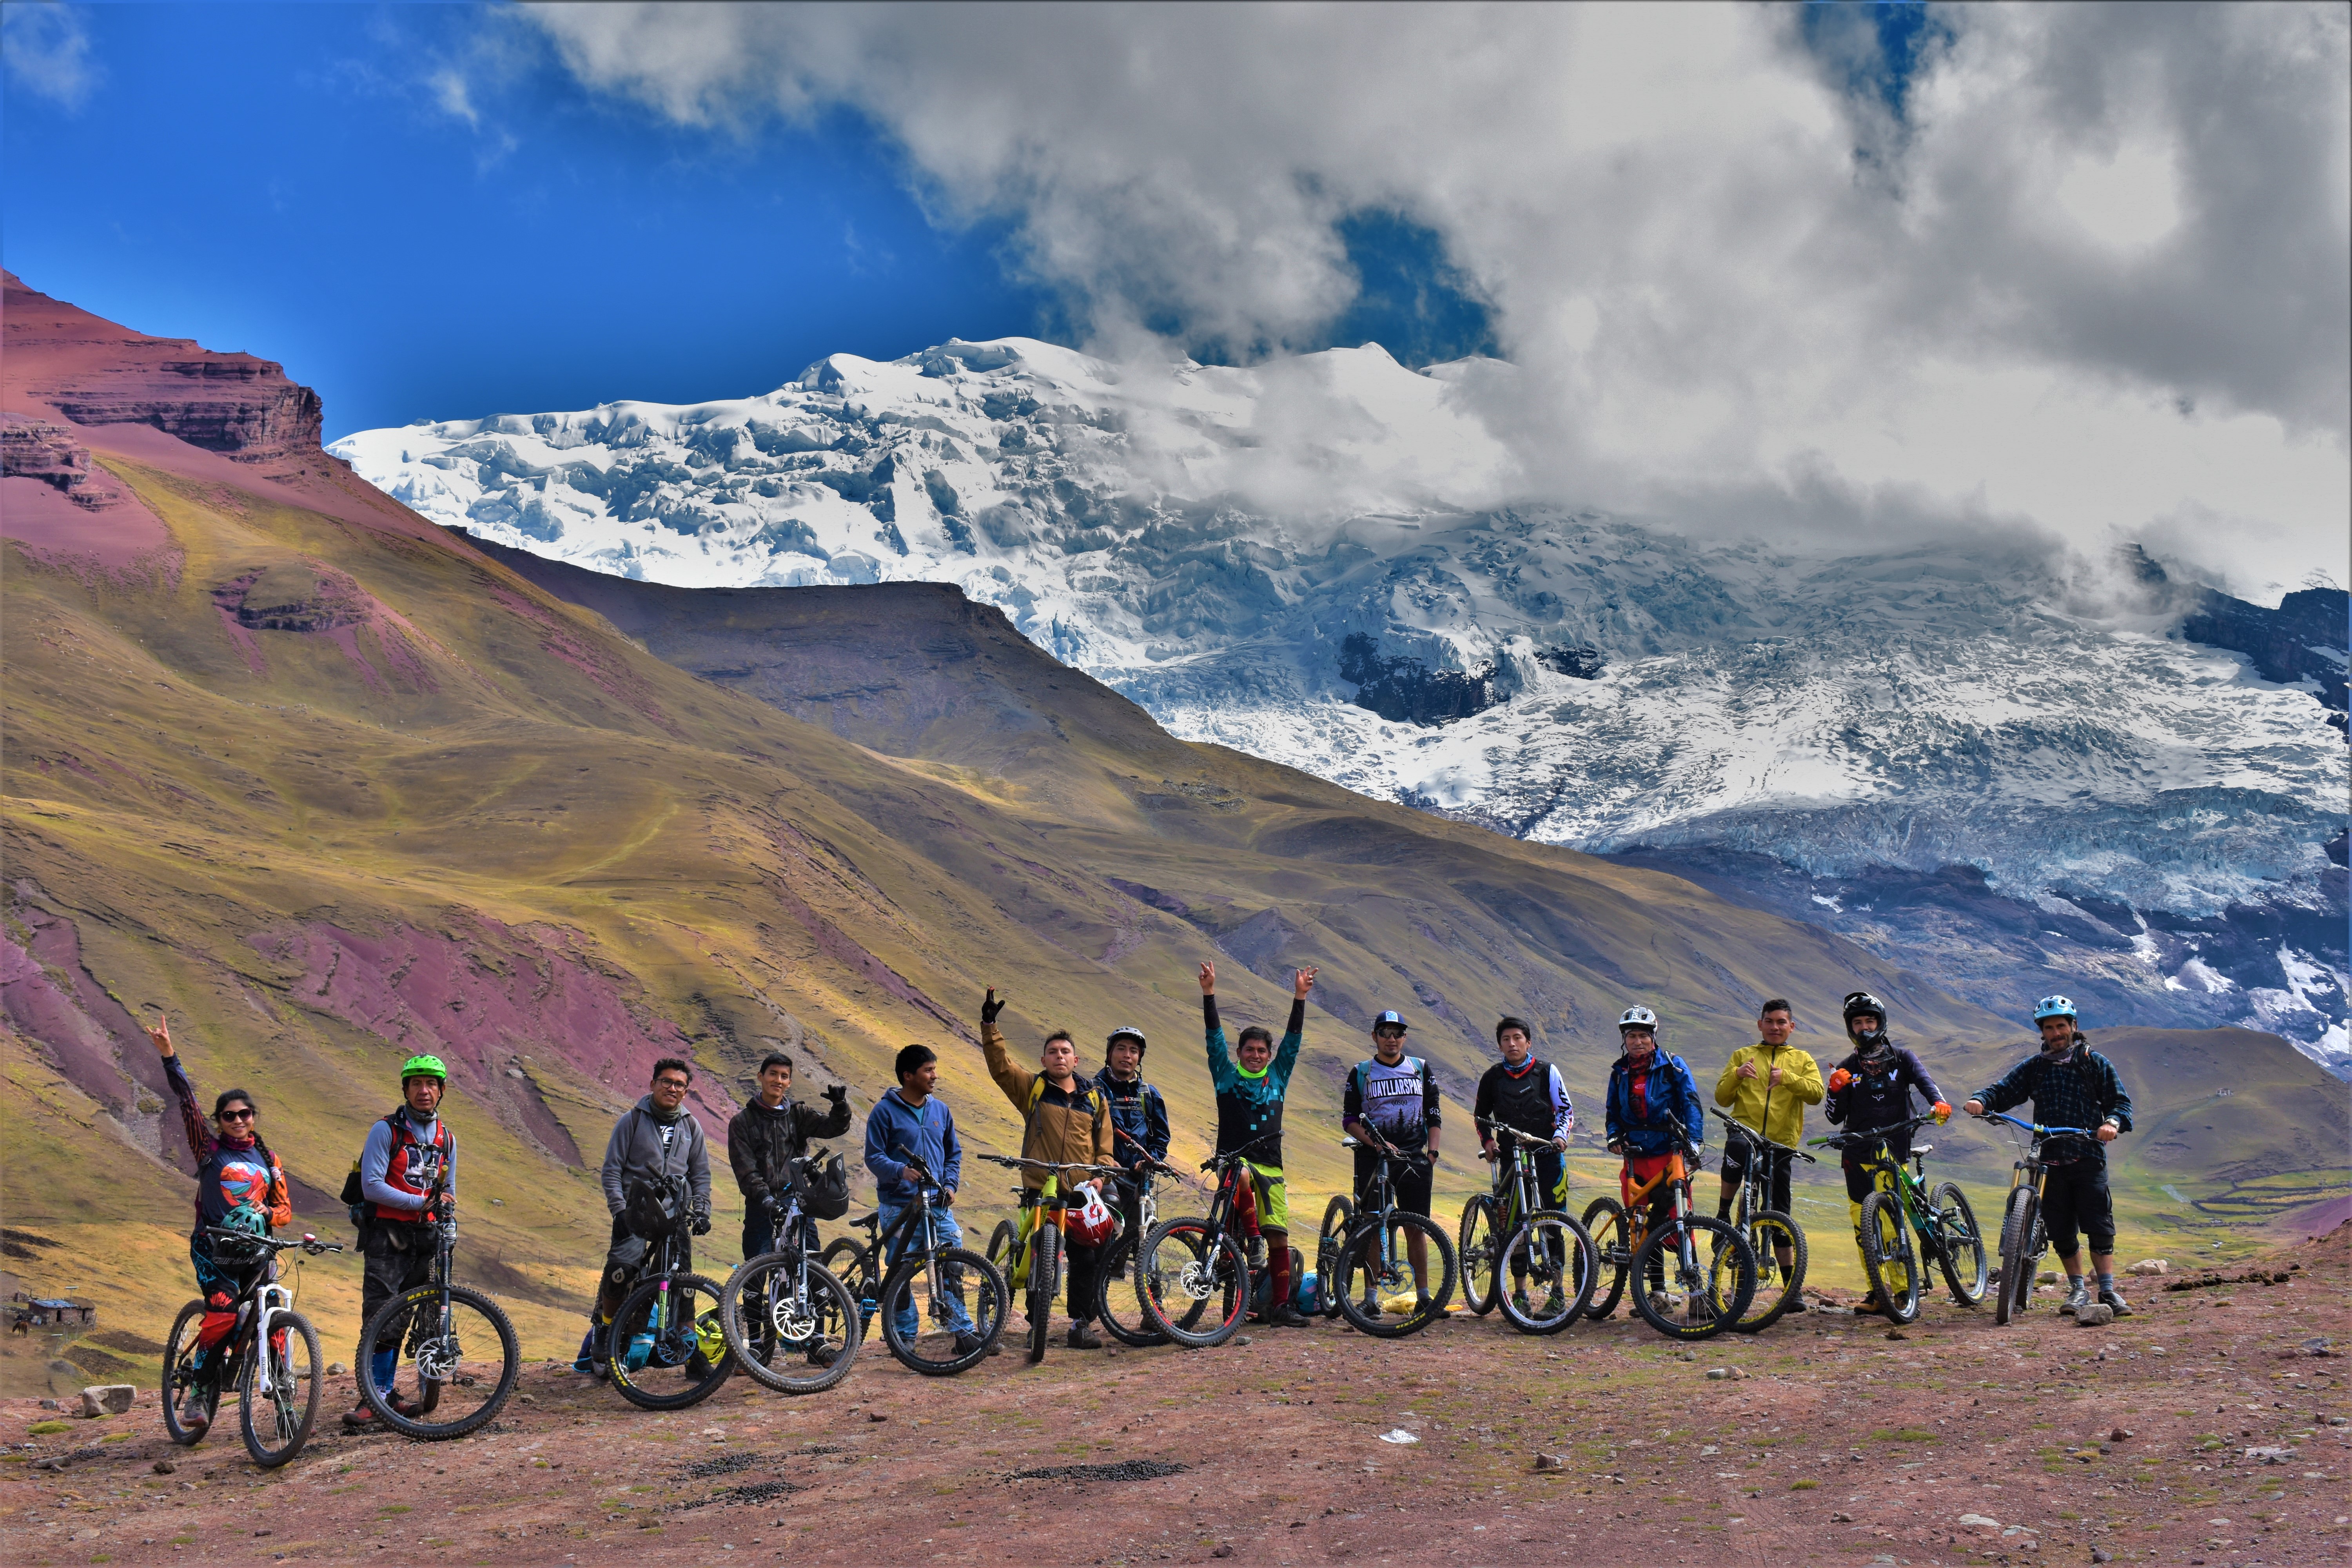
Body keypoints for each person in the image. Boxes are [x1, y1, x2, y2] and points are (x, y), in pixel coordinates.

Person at [146, 1016, 290, 1439]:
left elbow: (285, 1211)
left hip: (257, 1252)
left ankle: (285, 1397)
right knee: (224, 1311)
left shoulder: (270, 1160)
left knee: (273, 1317)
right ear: (220, 1120)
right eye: (229, 1116)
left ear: (254, 1117)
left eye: (245, 1114)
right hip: (214, 1250)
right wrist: (169, 1056)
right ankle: (200, 1388)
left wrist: (268, 1214)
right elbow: (187, 1103)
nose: (238, 1120)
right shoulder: (208, 1149)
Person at [1964, 996, 2136, 1317]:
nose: (2056, 1033)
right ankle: (2078, 1290)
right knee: (2060, 1230)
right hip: (2048, 1160)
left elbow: (2120, 1104)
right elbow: (2002, 1091)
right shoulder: (2036, 1068)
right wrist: (1979, 1100)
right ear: (2042, 1033)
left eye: (2061, 1026)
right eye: (2049, 1028)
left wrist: (2111, 1123)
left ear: (2074, 1027)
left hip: (2088, 1155)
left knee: (2099, 1226)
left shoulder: (2094, 1063)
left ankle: (2109, 1291)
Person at [978, 989, 1119, 1347]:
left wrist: (1101, 1175)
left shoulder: (1094, 1098)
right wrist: (990, 1026)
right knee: (1037, 1252)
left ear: (1076, 1060)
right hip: (1041, 1187)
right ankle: (1034, 1324)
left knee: (1085, 1258)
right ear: (1043, 1058)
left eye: (1065, 1052)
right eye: (1053, 1052)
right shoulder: (1033, 1088)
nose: (1059, 1056)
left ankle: (1080, 1325)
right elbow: (1000, 1067)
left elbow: (1105, 1145)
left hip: (1080, 1192)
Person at [1200, 962, 1317, 1328]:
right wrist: (1209, 994)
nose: (1256, 1055)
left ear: (1269, 1055)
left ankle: (1281, 1307)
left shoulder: (1278, 1077)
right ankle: (1252, 1242)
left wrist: (1300, 997)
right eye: (1249, 1049)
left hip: (1273, 1167)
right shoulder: (1226, 1076)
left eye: (1262, 1050)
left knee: (1280, 1241)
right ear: (1239, 1053)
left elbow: (1293, 1042)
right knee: (1242, 1173)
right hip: (1234, 1164)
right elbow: (1213, 1036)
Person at [344, 1053, 456, 1428]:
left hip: (425, 1238)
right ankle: (370, 1398)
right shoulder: (385, 1130)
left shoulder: (447, 1139)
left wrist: (445, 1207)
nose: (424, 1091)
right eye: (416, 1084)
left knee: (404, 1317)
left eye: (431, 1084)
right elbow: (371, 1186)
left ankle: (385, 1392)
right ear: (406, 1089)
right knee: (378, 1316)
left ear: (441, 1091)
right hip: (386, 1236)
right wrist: (420, 1203)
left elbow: (448, 1190)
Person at [1822, 991, 1950, 1316]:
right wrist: (1835, 1089)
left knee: (1890, 1222)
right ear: (1850, 1028)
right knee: (1862, 1224)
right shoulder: (1847, 1067)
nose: (1865, 1028)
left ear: (1880, 1023)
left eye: (1870, 1021)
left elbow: (1925, 1083)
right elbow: (1834, 1117)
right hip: (1856, 1151)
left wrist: (1938, 1103)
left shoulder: (1903, 1058)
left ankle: (1905, 1291)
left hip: (1893, 1147)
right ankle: (1877, 1290)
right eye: (1858, 1023)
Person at [585, 1059, 712, 1372]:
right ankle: (607, 1329)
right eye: (666, 1082)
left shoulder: (691, 1127)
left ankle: (690, 1353)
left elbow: (701, 1174)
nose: (672, 1088)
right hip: (636, 1210)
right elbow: (612, 1170)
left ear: (686, 1091)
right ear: (653, 1084)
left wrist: (702, 1210)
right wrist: (619, 1210)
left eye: (679, 1084)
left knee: (681, 1279)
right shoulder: (631, 1121)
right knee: (623, 1271)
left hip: (675, 1211)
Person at [865, 1043, 990, 1356]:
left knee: (953, 1265)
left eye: (935, 1069)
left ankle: (962, 1332)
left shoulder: (940, 1110)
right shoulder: (884, 1112)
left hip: (938, 1204)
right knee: (901, 1272)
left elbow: (953, 1153)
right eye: (928, 1070)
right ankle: (904, 1338)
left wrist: (951, 1185)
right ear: (908, 1076)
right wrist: (899, 1171)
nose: (935, 1076)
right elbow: (873, 1157)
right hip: (899, 1206)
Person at [1712, 998, 1824, 1310]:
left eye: (1781, 1022)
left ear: (1791, 1027)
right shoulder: (1744, 1055)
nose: (1775, 1027)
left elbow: (1816, 1094)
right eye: (1770, 1022)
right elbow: (1722, 1098)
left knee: (1780, 1214)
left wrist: (1786, 1078)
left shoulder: (1801, 1059)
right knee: (1736, 1149)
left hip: (1780, 1145)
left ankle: (1791, 1290)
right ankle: (1724, 1210)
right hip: (1745, 1133)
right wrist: (1737, 1075)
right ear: (1760, 1025)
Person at [1343, 1006, 1444, 1317]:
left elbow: (1434, 1113)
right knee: (1375, 1226)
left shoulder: (1420, 1068)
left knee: (1417, 1227)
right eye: (1385, 1033)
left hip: (1414, 1158)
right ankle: (1371, 1299)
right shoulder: (1362, 1072)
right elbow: (1348, 1119)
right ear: (1374, 1037)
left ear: (1405, 1037)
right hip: (1373, 1159)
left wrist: (1433, 1153)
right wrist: (1376, 1144)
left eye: (1398, 1033)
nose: (1392, 1039)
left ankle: (1425, 1297)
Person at [1472, 1016, 1575, 1316]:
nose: (1512, 1044)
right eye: (1506, 1039)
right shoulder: (1492, 1077)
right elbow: (1480, 1117)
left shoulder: (1547, 1072)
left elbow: (1565, 1110)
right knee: (1514, 1226)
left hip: (1548, 1157)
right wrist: (1488, 1143)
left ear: (1528, 1042)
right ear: (1500, 1044)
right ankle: (1519, 1295)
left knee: (1554, 1223)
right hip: (1510, 1159)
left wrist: (1559, 1137)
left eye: (1518, 1038)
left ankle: (1557, 1294)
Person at [1601, 1006, 1705, 1297]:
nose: (1638, 1042)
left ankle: (1697, 1293)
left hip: (1668, 1151)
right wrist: (1613, 1136)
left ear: (1654, 1037)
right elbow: (1612, 1112)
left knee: (1678, 1216)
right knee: (1642, 1222)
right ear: (1625, 1039)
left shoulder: (1673, 1066)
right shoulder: (1620, 1072)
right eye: (1632, 1036)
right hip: (1635, 1154)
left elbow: (1691, 1105)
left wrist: (1694, 1141)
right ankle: (1657, 1294)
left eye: (1643, 1036)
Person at [727, 1051, 851, 1261]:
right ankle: (754, 1294)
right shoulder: (743, 1121)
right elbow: (745, 1169)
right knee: (756, 1265)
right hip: (760, 1201)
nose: (778, 1080)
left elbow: (832, 1128)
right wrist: (765, 1199)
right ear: (761, 1077)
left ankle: (815, 1293)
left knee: (812, 1261)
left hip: (798, 1198)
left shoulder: (798, 1113)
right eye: (773, 1074)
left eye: (784, 1076)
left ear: (790, 1082)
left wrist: (840, 1107)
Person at [1094, 1025, 1172, 1250]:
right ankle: (1101, 1270)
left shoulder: (1149, 1094)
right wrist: (1103, 1160)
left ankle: (1130, 1263)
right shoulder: (1093, 1091)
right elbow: (1082, 1134)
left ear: (1139, 1058)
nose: (1127, 1055)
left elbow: (1161, 1136)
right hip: (1105, 1174)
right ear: (1109, 1054)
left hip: (1141, 1178)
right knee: (1107, 1220)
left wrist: (1151, 1159)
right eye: (1121, 1049)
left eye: (1133, 1051)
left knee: (1142, 1230)